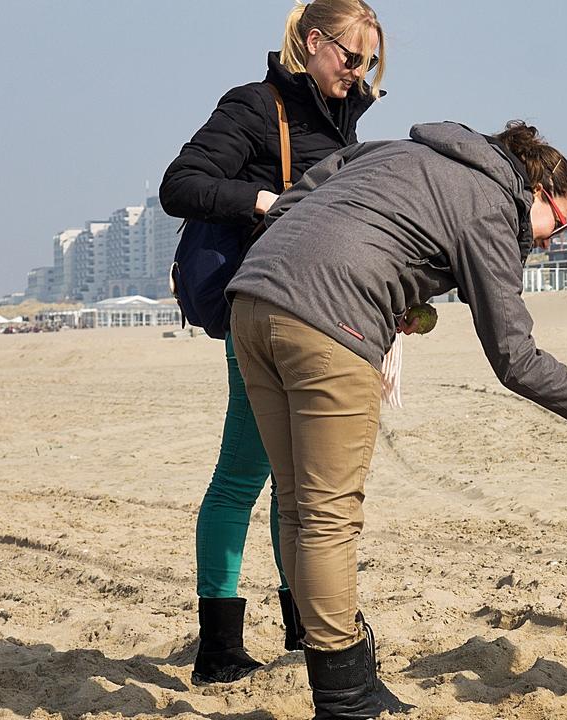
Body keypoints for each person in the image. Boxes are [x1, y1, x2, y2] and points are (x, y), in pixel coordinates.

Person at [226, 120, 567, 718]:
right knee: (330, 515)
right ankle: (344, 697)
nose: (551, 239)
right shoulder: (493, 205)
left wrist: (387, 287)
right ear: (535, 187)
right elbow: (514, 358)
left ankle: (347, 677)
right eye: (557, 223)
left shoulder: (402, 150)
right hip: (330, 323)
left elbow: (298, 199)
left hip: (254, 300)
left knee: (296, 507)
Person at [158, 0, 386, 687]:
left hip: (325, 314)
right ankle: (220, 644)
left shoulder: (339, 114)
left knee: (298, 484)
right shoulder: (257, 107)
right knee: (242, 476)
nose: (360, 72)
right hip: (264, 311)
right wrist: (264, 202)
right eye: (351, 57)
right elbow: (181, 185)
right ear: (313, 42)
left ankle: (300, 624)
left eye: (370, 62)